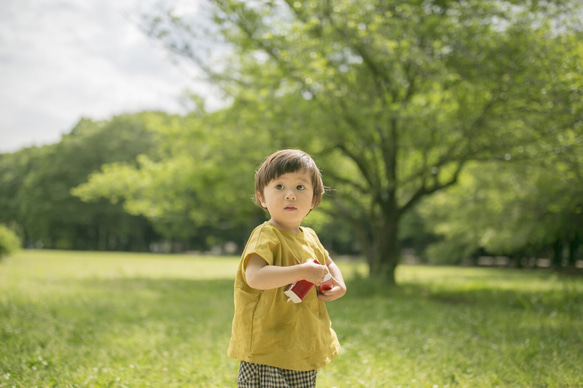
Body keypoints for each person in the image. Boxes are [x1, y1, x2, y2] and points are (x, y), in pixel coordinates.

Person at [227, 149, 347, 387]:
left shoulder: (310, 237)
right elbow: (255, 277)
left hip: (301, 343)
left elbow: (329, 263)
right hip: (268, 344)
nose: (290, 195)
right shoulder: (266, 235)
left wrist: (339, 284)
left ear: (314, 199)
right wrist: (301, 271)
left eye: (300, 188)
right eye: (279, 187)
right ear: (262, 198)